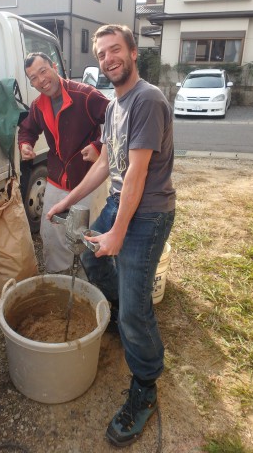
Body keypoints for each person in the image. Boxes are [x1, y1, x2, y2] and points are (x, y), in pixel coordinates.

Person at [47, 25, 176, 447]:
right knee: (91, 258)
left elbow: (137, 174)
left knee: (135, 306)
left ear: (133, 53)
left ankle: (146, 385)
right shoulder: (114, 107)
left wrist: (118, 232)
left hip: (147, 213)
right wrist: (67, 201)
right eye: (101, 54)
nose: (108, 59)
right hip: (120, 204)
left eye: (115, 50)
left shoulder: (148, 100)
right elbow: (105, 165)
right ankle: (126, 321)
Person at [18, 52, 109, 274]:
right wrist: (25, 144)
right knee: (51, 228)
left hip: (88, 178)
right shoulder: (38, 105)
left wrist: (99, 146)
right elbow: (28, 129)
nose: (41, 80)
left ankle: (90, 278)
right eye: (33, 78)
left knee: (88, 232)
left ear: (55, 67)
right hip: (57, 177)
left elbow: (117, 120)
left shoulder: (85, 95)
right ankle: (57, 276)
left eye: (43, 71)